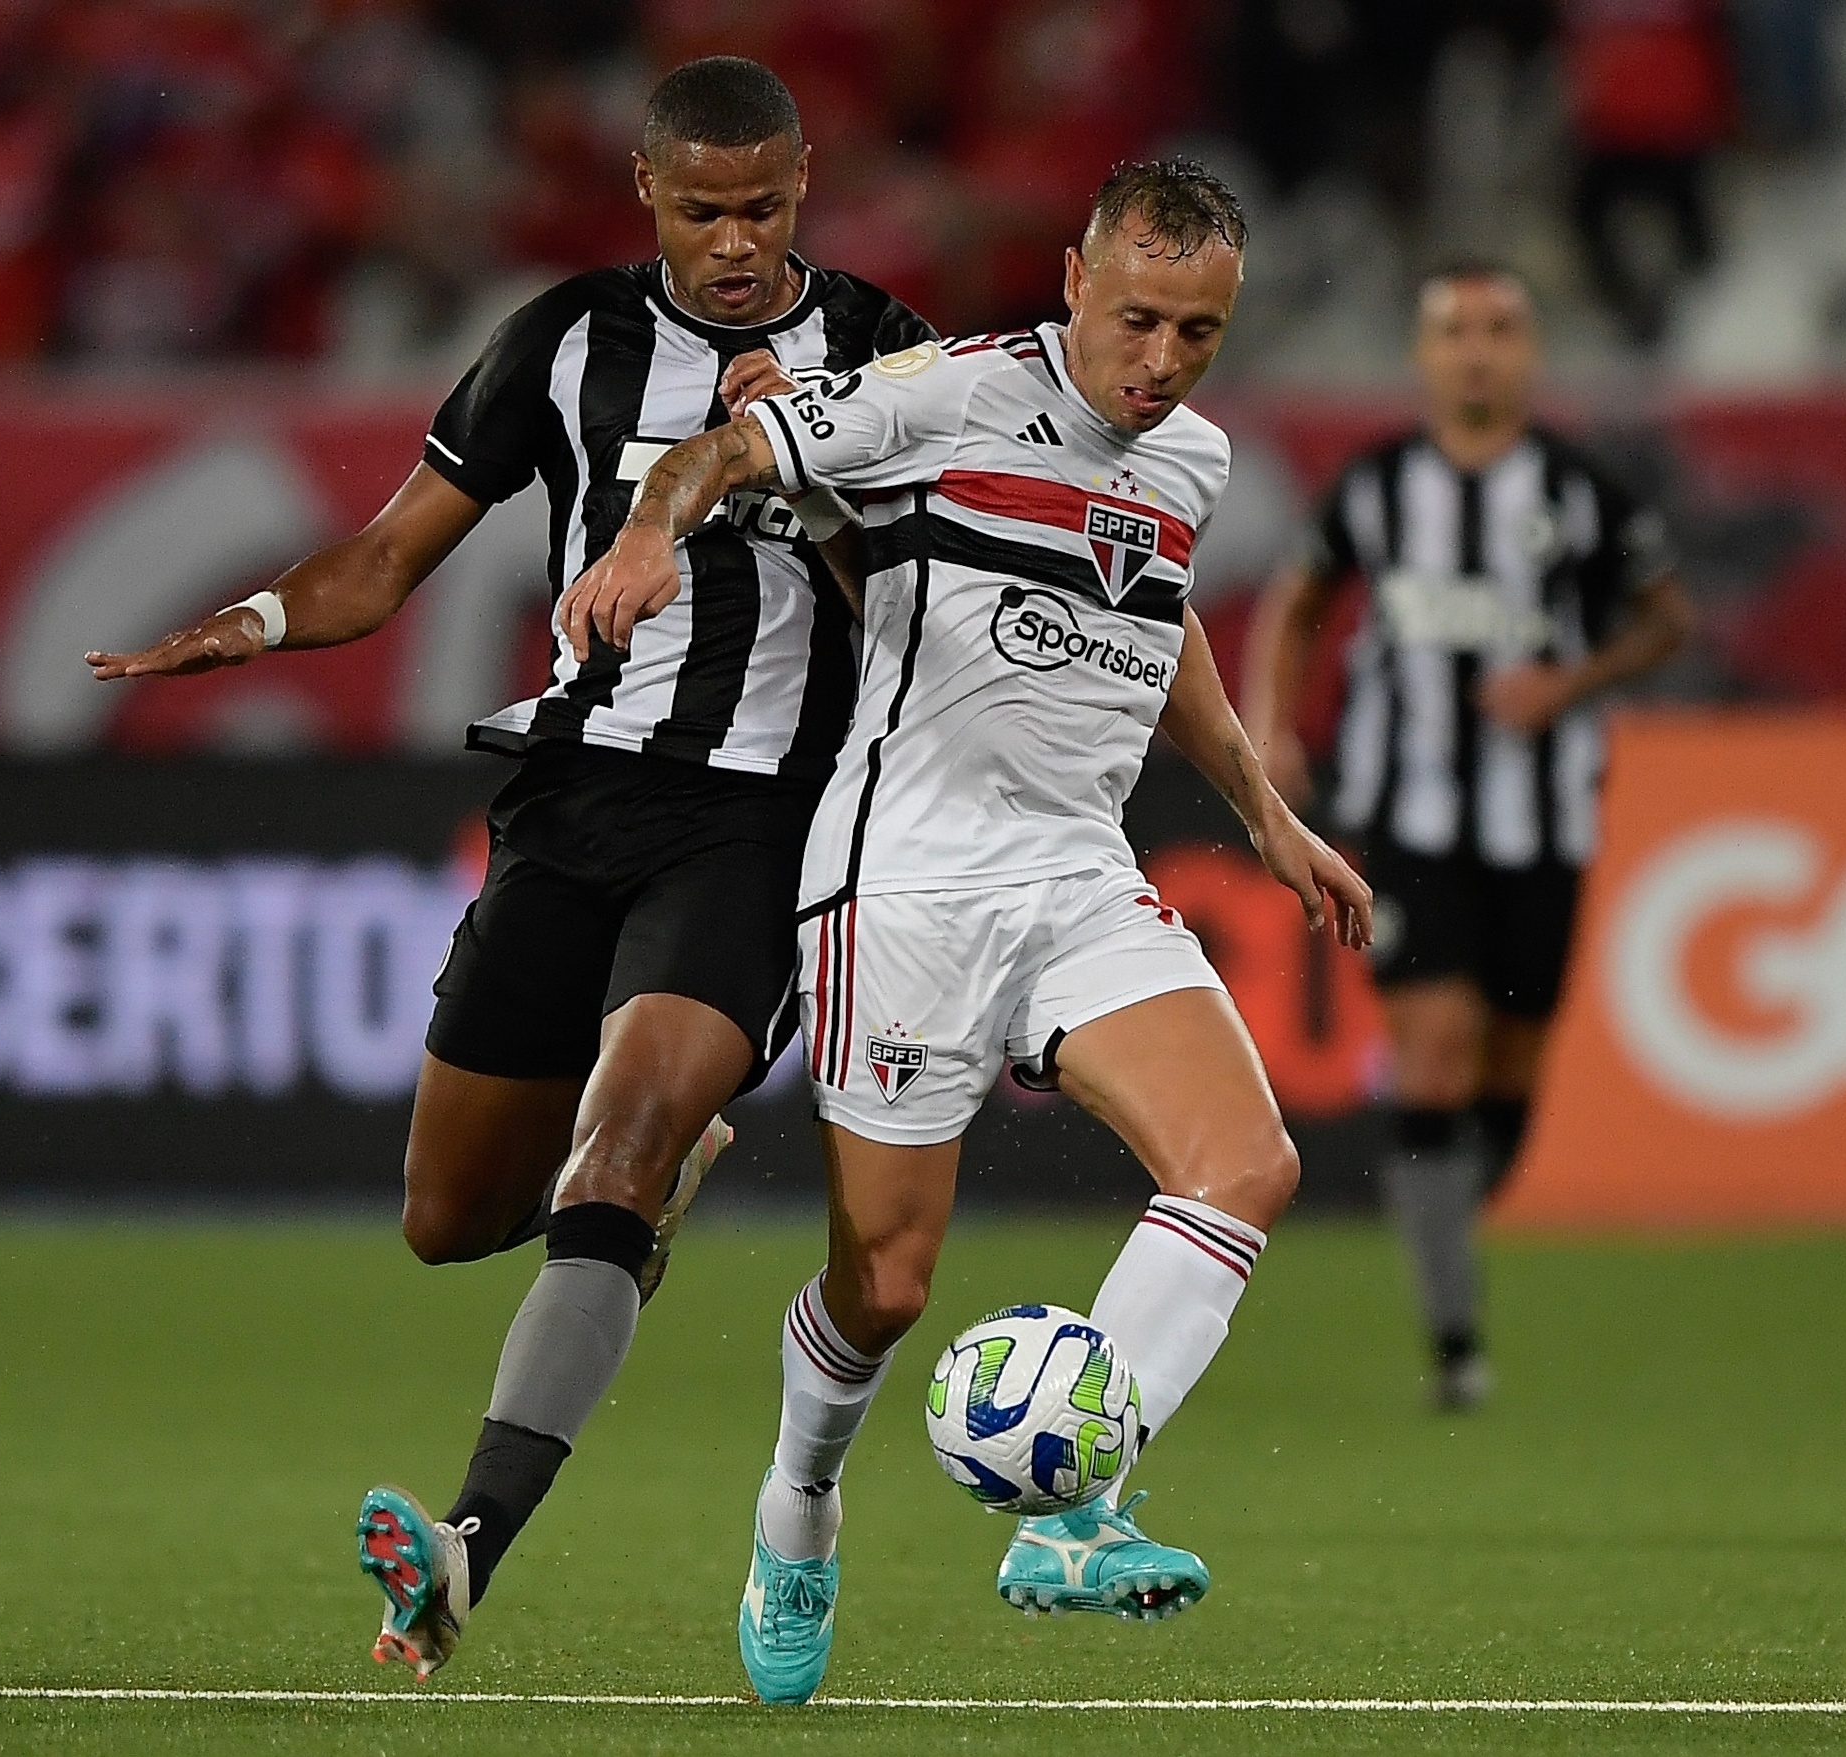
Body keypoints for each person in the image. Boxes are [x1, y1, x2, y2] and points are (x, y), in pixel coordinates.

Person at [85, 56, 932, 1679]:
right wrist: (250, 624)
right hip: (567, 799)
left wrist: (802, 460)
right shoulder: (563, 341)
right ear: (647, 193)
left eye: (762, 208)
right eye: (705, 211)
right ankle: (639, 1196)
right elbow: (391, 555)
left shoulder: (880, 356)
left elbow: (916, 604)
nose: (738, 242)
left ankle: (462, 1553)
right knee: (448, 1211)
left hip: (758, 820)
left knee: (613, 1154)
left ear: (804, 182)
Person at [560, 157, 1375, 1706]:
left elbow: (1162, 615)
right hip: (905, 880)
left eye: (1197, 334)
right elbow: (733, 447)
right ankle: (798, 1504)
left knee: (1247, 1163)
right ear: (1072, 273)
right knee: (885, 1286)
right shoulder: (942, 397)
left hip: (1075, 874)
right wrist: (650, 533)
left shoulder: (1186, 460)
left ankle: (1071, 1517)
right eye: (1136, 319)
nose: (1159, 364)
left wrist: (1265, 817)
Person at [1243, 261, 1693, 1409]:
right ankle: (1454, 1343)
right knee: (1433, 1046)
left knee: (1507, 1083)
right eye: (1454, 330)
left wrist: (1571, 681)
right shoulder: (1377, 485)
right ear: (1423, 353)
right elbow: (1295, 600)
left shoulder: (1583, 489)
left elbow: (1666, 619)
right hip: (1407, 816)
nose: (1477, 349)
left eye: (1499, 328)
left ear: (1528, 352)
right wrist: (1268, 735)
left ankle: (1442, 1217)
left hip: (1542, 826)